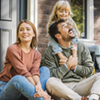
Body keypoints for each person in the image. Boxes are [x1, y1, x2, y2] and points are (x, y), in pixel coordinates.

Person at [43, 19, 100, 100]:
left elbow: (90, 70)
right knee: (50, 82)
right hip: (61, 88)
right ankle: (79, 99)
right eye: (64, 27)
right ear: (58, 36)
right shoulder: (50, 51)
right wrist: (67, 65)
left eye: (68, 25)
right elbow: (51, 75)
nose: (70, 27)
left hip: (79, 85)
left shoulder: (81, 46)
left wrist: (75, 67)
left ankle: (93, 98)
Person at [0, 19, 51, 100]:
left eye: (28, 29)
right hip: (8, 89)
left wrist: (39, 85)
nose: (24, 32)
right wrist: (36, 87)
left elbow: (34, 72)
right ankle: (41, 97)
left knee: (44, 70)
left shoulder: (37, 54)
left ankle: (39, 94)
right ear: (18, 34)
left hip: (26, 90)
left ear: (33, 33)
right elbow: (22, 71)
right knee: (18, 78)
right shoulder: (12, 49)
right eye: (21, 30)